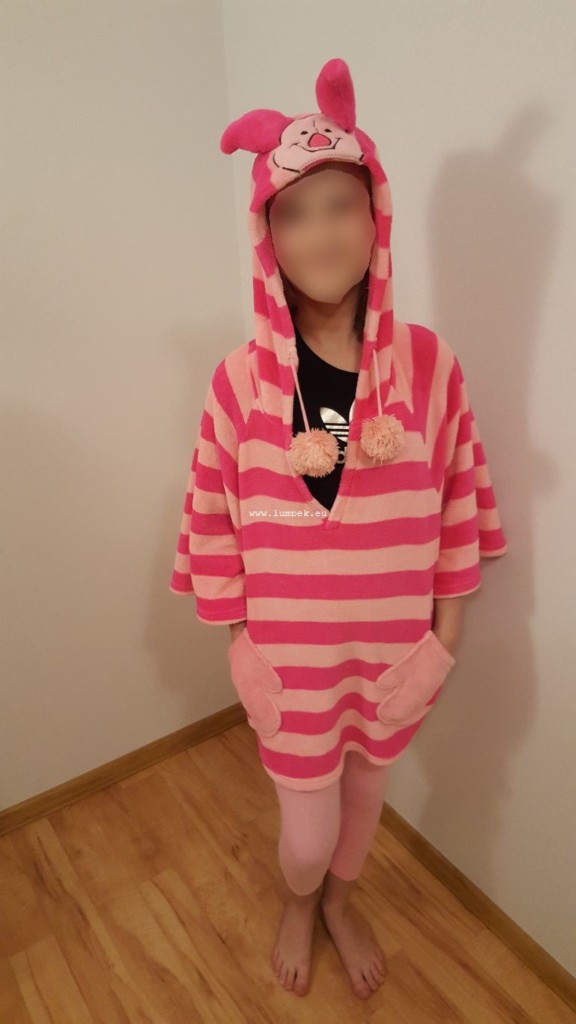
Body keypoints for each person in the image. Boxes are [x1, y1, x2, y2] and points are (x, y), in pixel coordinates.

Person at [169, 58, 508, 1001]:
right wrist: (241, 646)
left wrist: (443, 639)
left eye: (340, 205)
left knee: (364, 808)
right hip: (292, 669)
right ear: (267, 234)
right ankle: (300, 899)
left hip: (392, 659)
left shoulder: (430, 367)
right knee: (308, 833)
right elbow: (212, 518)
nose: (319, 234)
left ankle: (341, 904)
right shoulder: (240, 382)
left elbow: (458, 498)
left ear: (375, 217)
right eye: (293, 213)